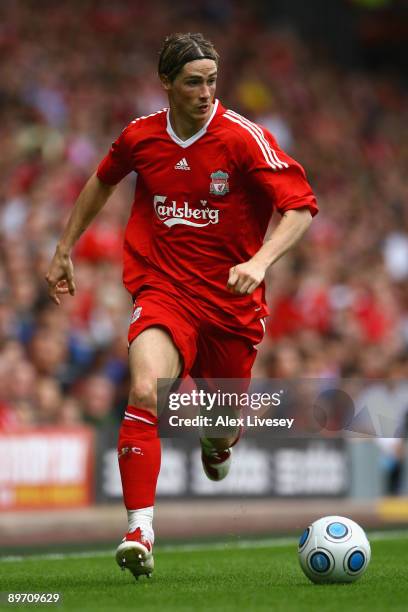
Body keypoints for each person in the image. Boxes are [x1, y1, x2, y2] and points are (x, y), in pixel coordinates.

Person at [45, 32, 318, 580]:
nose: (205, 92)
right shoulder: (140, 137)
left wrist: (261, 262)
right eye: (193, 82)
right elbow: (102, 181)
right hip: (163, 290)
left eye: (212, 81)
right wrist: (64, 247)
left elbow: (302, 207)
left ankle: (217, 446)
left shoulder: (243, 138)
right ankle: (139, 530)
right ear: (165, 83)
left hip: (232, 307)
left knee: (219, 426)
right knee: (145, 388)